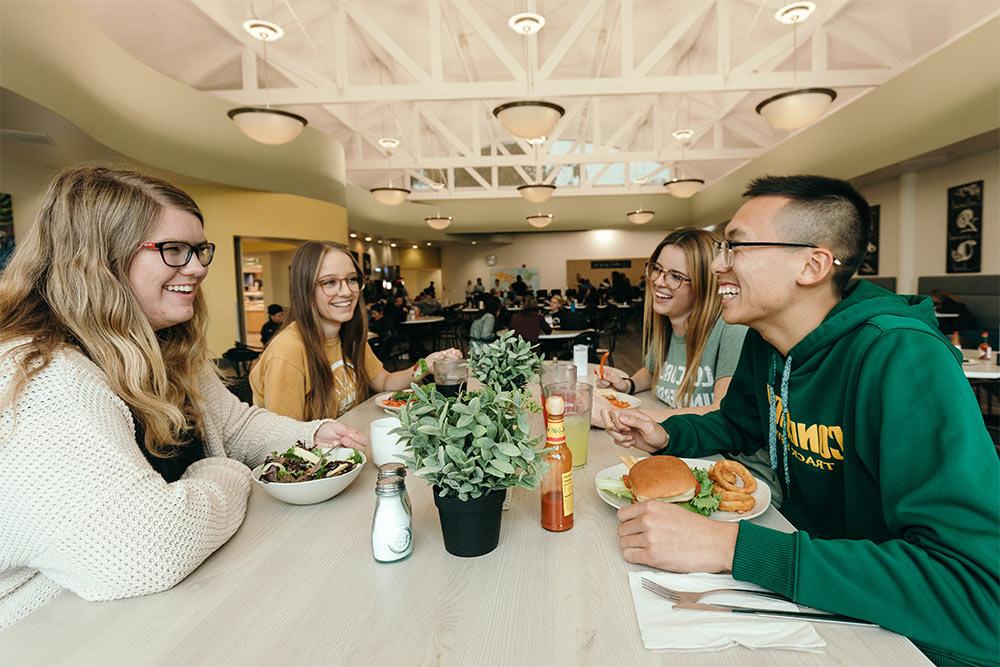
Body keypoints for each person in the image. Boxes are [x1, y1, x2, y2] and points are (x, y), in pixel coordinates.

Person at [601, 175, 999, 665]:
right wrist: (669, 433)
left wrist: (733, 547)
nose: (719, 264)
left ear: (812, 264)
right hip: (809, 590)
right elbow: (740, 423)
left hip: (905, 639)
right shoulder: (766, 341)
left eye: (736, 247)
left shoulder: (902, 360)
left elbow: (979, 593)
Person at [0, 166, 367, 630]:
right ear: (96, 260)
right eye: (173, 250)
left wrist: (311, 434)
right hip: (56, 632)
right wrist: (226, 471)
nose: (196, 267)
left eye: (198, 250)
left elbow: (234, 426)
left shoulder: (165, 344)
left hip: (176, 603)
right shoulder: (39, 372)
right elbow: (147, 550)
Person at [594, 228, 778, 501]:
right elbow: (655, 370)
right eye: (656, 269)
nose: (659, 281)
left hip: (736, 476)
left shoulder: (730, 330)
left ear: (704, 283)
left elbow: (721, 412)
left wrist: (628, 417)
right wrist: (629, 383)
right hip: (686, 454)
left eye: (676, 276)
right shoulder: (667, 323)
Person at [250, 242, 460, 420]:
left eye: (351, 279)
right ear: (304, 289)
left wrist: (427, 364)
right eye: (329, 282)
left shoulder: (348, 334)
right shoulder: (288, 350)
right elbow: (285, 442)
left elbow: (385, 382)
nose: (347, 291)